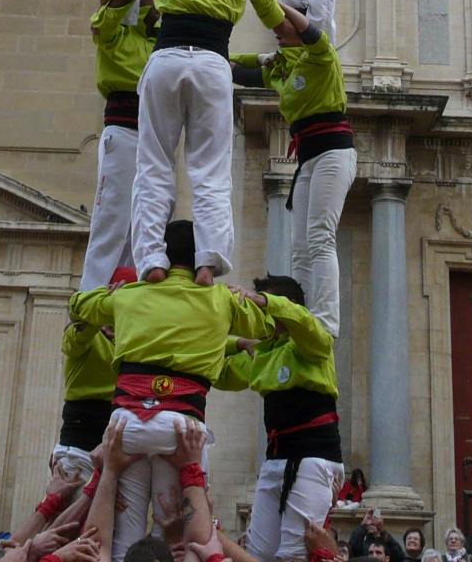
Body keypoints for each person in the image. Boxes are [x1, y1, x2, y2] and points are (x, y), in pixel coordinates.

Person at [68, 219, 274, 562]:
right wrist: (248, 301)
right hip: (181, 428)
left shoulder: (131, 294)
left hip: (127, 425)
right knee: (180, 540)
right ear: (203, 259)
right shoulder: (221, 299)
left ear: (159, 254)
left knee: (123, 541)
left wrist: (110, 295)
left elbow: (77, 306)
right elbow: (267, 326)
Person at [99, 0, 288, 283]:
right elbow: (278, 22)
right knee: (210, 169)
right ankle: (207, 261)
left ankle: (152, 259)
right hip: (212, 64)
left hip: (165, 61)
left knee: (153, 164)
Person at [231, 2, 354, 336]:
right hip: (307, 157)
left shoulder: (321, 56)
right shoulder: (280, 68)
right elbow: (234, 68)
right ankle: (298, 312)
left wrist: (278, 3)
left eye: (281, 22)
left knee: (320, 235)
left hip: (333, 152)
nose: (274, 26)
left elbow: (313, 34)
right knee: (299, 245)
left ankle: (325, 321)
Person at [218, 275, 342, 562]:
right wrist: (238, 343)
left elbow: (305, 323)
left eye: (263, 309)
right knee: (259, 553)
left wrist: (264, 301)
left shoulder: (312, 345)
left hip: (313, 458)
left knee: (293, 555)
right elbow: (216, 371)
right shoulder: (263, 353)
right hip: (275, 460)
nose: (260, 316)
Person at [82, 0, 155, 291]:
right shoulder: (116, 34)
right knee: (111, 219)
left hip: (153, 139)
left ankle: (129, 290)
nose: (158, 2)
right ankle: (91, 294)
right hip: (124, 133)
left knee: (143, 224)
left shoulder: (159, 42)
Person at [57, 267, 132, 481]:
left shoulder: (132, 339)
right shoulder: (85, 332)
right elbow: (75, 341)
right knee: (72, 494)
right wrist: (101, 307)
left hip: (119, 431)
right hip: (81, 430)